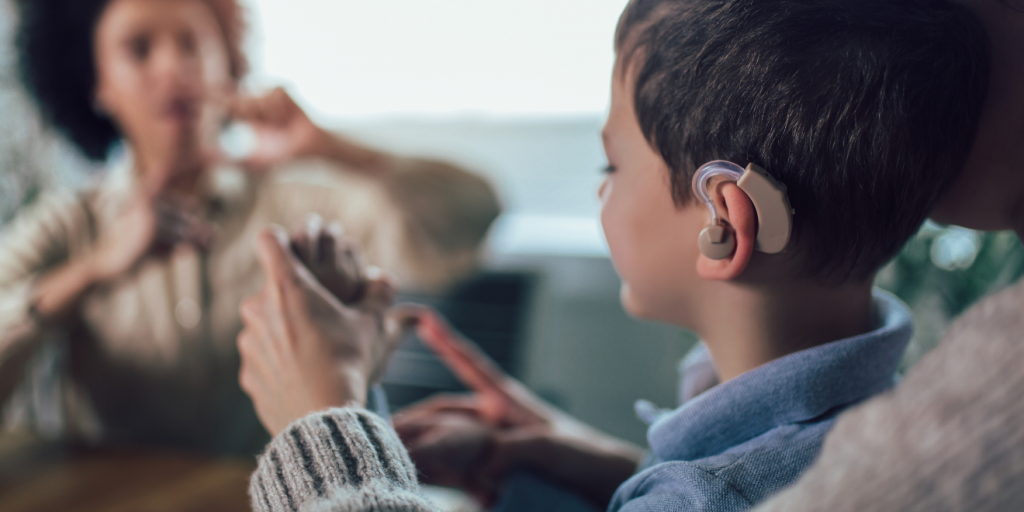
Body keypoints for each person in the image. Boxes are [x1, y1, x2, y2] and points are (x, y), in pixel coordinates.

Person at [234, 0, 989, 510]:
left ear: (726, 221)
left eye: (611, 167)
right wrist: (600, 471)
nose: (602, 194)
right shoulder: (884, 424)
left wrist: (321, 415)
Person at [0, 0, 499, 455]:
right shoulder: (71, 223)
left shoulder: (298, 205)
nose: (174, 67)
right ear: (97, 84)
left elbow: (472, 216)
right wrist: (93, 269)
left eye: (193, 44)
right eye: (140, 49)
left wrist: (330, 148)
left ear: (229, 65)